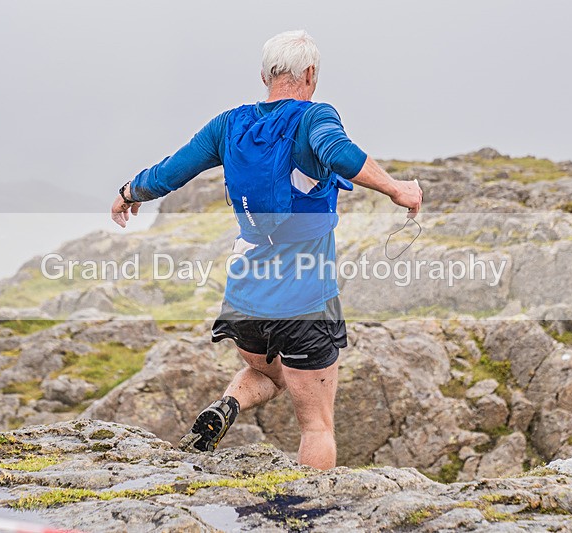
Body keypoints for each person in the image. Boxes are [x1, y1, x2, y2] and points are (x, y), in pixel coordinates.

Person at [111, 30, 422, 470]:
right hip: (304, 301)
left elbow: (170, 172)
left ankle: (227, 405)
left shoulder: (228, 125)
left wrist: (130, 191)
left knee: (268, 373)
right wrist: (395, 188)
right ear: (310, 74)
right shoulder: (314, 118)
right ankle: (310, 506)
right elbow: (339, 152)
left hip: (245, 301)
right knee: (316, 425)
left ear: (264, 76)